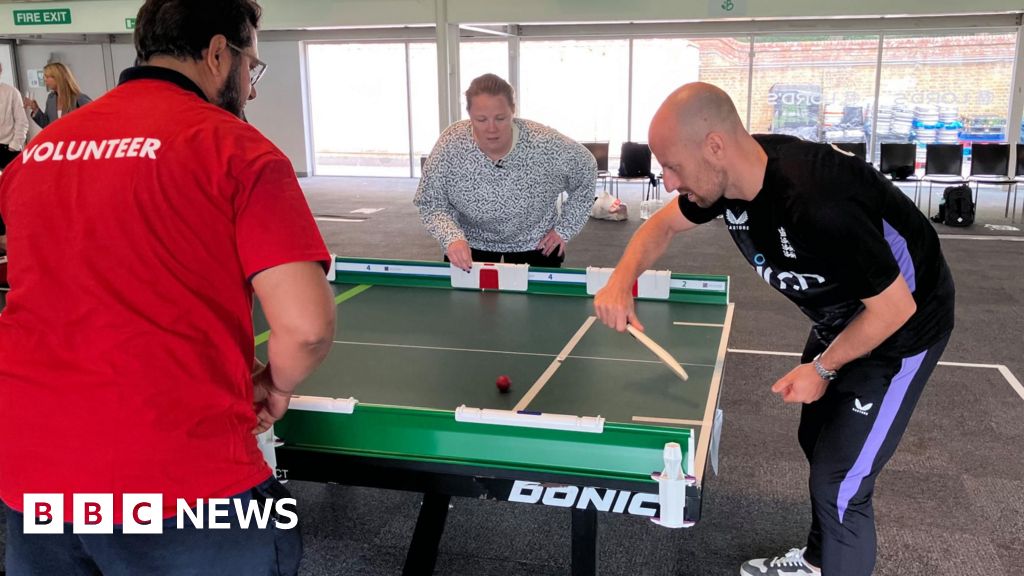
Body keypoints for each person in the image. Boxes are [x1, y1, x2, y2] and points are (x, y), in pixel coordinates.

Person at [0, 1, 336, 574]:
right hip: (186, 476)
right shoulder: (237, 149)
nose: (250, 90)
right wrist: (274, 387)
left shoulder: (39, 152)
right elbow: (305, 327)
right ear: (216, 53)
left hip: (33, 475)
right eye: (250, 67)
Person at [594, 82, 954, 576]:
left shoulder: (817, 201)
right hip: (844, 315)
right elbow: (660, 226)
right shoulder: (730, 180)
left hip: (904, 326)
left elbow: (894, 310)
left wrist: (823, 369)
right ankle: (817, 560)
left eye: (673, 166)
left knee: (841, 480)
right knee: (818, 440)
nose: (669, 181)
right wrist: (620, 282)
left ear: (714, 146)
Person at [414, 73, 597, 269]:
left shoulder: (546, 143)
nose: (491, 128)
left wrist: (565, 228)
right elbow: (430, 201)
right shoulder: (451, 143)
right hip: (469, 241)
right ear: (469, 115)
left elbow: (587, 169)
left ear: (513, 111)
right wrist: (450, 237)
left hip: (536, 242)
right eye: (481, 119)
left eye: (500, 118)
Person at [24, 62, 93, 128]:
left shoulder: (79, 99)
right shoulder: (51, 98)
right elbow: (48, 126)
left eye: (47, 77)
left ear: (58, 78)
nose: (45, 80)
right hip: (57, 140)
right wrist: (35, 109)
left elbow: (94, 121)